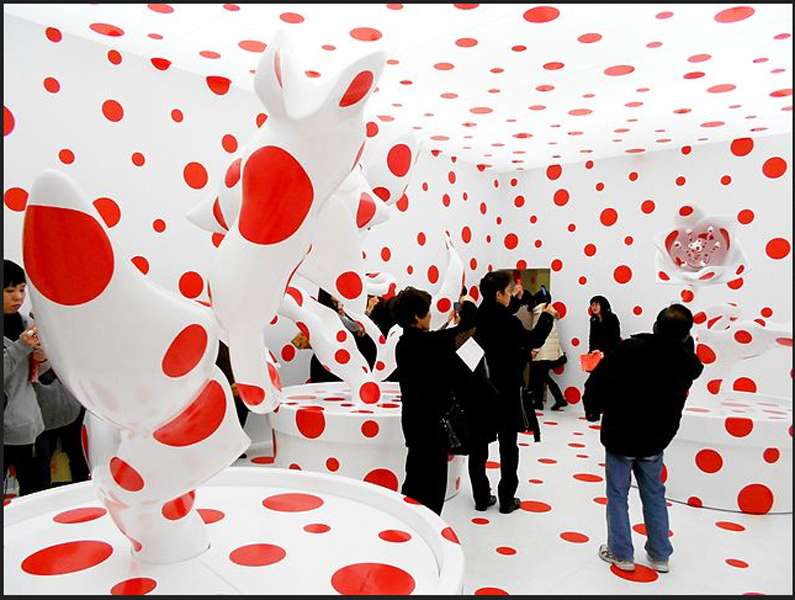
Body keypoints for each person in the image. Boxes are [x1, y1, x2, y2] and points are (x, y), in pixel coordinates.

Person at [582, 303, 704, 574]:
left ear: (656, 326)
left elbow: (598, 382)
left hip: (621, 434)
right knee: (654, 494)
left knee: (617, 494)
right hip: (655, 438)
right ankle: (660, 554)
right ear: (687, 335)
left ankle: (621, 553)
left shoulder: (629, 350)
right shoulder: (685, 362)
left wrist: (591, 408)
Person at [471, 270, 557, 514]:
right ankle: (506, 500)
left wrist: (519, 298)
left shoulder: (477, 317)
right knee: (508, 446)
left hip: (479, 390)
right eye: (509, 292)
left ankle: (480, 497)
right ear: (499, 294)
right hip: (507, 390)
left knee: (479, 446)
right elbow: (534, 340)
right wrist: (547, 317)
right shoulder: (509, 323)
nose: (512, 296)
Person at [392, 286, 462, 515]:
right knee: (432, 487)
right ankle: (427, 531)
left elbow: (432, 340)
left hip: (413, 421)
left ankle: (409, 526)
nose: (431, 315)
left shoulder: (404, 344)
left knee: (415, 478)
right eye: (427, 311)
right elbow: (456, 337)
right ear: (416, 316)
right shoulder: (426, 345)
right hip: (431, 425)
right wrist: (467, 310)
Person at [4, 259, 52, 496]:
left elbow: (32, 377)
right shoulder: (24, 335)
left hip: (32, 426)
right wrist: (21, 347)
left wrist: (42, 359)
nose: (18, 297)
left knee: (39, 495)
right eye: (10, 291)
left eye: (22, 290)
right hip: (8, 430)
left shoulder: (27, 324)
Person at [309, 289, 377, 383]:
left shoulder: (333, 311)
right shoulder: (328, 313)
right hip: (331, 361)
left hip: (332, 359)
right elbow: (354, 326)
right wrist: (369, 309)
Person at [529, 287, 567, 411]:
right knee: (542, 376)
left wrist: (534, 349)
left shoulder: (539, 312)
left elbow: (537, 334)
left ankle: (554, 399)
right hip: (550, 351)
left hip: (542, 350)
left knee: (541, 376)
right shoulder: (550, 311)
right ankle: (548, 400)